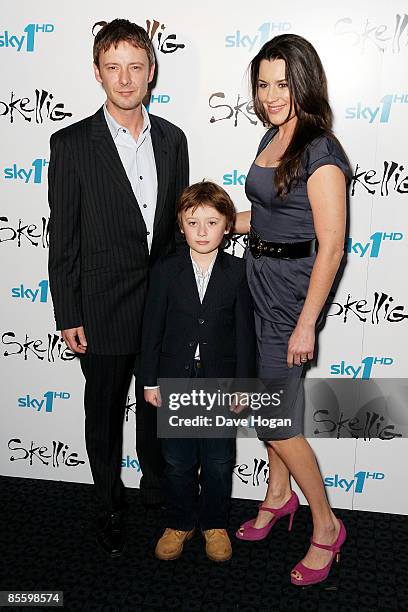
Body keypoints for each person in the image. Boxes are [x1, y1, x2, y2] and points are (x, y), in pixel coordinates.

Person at [47, 19, 189, 557]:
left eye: (135, 67)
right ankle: (107, 503)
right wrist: (68, 311)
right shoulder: (71, 143)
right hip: (100, 307)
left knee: (156, 411)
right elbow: (64, 236)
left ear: (151, 72)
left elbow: (177, 232)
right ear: (97, 73)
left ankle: (158, 497)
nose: (125, 79)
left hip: (160, 307)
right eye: (113, 68)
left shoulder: (174, 139)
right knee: (103, 417)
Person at [234, 34, 350, 586]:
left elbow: (331, 244)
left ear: (304, 82)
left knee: (271, 416)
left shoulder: (320, 151)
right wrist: (213, 220)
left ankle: (326, 526)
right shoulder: (272, 135)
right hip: (256, 279)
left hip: (291, 296)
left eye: (282, 83)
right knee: (278, 402)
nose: (271, 94)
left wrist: (307, 322)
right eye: (263, 83)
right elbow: (267, 214)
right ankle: (278, 495)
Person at [141, 182, 256, 562]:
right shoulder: (166, 270)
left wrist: (242, 385)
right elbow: (152, 327)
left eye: (212, 222)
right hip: (176, 377)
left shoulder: (239, 272)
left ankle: (214, 524)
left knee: (219, 459)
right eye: (194, 222)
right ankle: (179, 522)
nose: (202, 231)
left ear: (228, 226)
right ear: (181, 226)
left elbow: (244, 336)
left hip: (221, 381)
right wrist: (149, 379)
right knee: (178, 460)